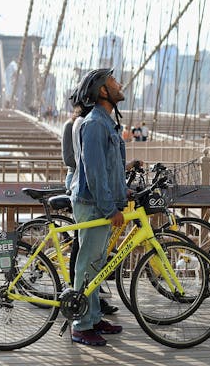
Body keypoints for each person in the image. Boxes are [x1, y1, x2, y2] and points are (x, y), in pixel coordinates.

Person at [68, 68, 127, 346]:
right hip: (93, 205)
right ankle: (80, 325)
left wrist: (122, 197)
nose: (120, 84)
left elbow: (110, 168)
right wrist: (109, 208)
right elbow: (94, 173)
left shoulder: (106, 122)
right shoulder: (94, 124)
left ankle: (92, 317)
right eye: (114, 82)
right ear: (103, 91)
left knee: (96, 266)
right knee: (87, 267)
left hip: (101, 205)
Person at [63, 90, 119, 316]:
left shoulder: (94, 122)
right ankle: (82, 317)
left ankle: (92, 313)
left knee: (94, 261)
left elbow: (102, 165)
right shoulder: (87, 124)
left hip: (92, 192)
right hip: (86, 192)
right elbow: (88, 167)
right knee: (86, 258)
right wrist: (109, 207)